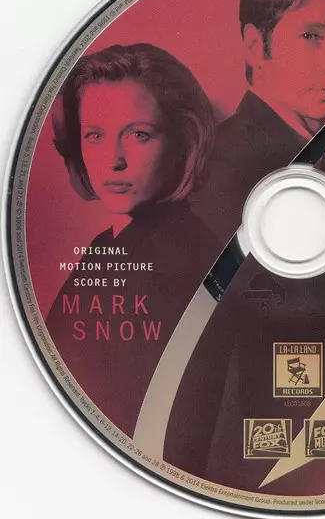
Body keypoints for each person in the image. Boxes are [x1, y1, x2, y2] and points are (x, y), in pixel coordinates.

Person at [164, 0, 325, 495]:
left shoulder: (301, 156)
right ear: (255, 45)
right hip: (269, 478)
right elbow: (217, 368)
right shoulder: (227, 168)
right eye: (311, 37)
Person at [45, 43, 221, 438]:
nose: (114, 159)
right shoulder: (107, 247)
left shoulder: (182, 262)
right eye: (94, 135)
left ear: (183, 141)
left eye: (139, 134)